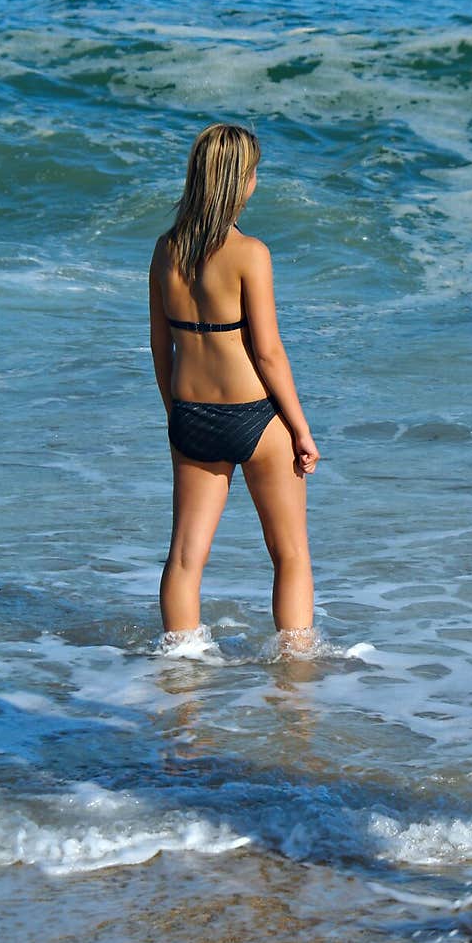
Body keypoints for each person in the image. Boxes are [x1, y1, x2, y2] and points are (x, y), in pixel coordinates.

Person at [149, 123, 320, 650]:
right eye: (253, 173)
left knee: (185, 556)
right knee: (289, 552)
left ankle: (181, 669)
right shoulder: (250, 253)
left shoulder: (165, 250)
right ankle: (296, 672)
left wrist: (175, 415)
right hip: (254, 415)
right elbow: (268, 352)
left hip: (191, 415)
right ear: (238, 182)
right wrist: (301, 429)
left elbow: (161, 347)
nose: (255, 182)